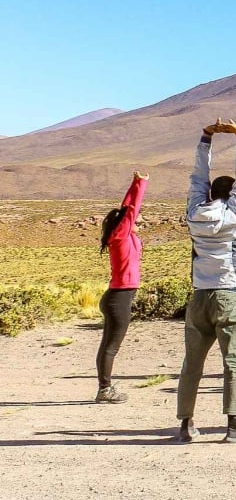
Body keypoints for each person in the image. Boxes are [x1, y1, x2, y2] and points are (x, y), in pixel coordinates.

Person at [177, 118, 236, 443]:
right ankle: (235, 425)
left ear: (210, 193)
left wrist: (206, 138)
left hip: (199, 296)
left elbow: (197, 177)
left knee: (192, 364)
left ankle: (186, 424)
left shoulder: (194, 212)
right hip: (230, 295)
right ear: (232, 195)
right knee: (234, 363)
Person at [95, 171, 148, 404]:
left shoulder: (125, 235)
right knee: (111, 347)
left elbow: (127, 208)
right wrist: (142, 184)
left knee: (108, 345)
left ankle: (104, 388)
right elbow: (131, 211)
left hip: (117, 297)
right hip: (119, 299)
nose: (138, 222)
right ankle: (105, 390)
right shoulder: (120, 236)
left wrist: (134, 182)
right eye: (134, 220)